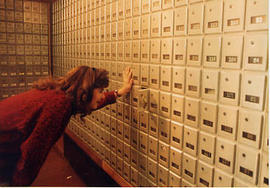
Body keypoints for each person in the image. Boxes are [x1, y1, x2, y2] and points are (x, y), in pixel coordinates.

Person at [0, 66, 133, 186]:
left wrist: (120, 92)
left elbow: (94, 101)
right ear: (86, 91)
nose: (101, 95)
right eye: (100, 91)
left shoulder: (61, 96)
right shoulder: (58, 105)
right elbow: (33, 152)